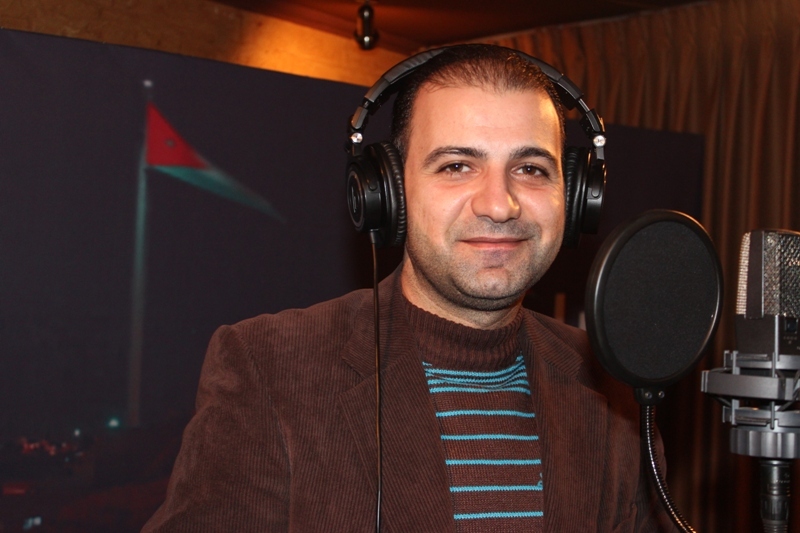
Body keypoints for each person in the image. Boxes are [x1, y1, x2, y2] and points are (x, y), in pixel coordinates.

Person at [144, 44, 674, 532]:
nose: (499, 204)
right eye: (457, 166)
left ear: (575, 197)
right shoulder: (269, 368)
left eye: (531, 169)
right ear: (388, 192)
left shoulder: (615, 389)